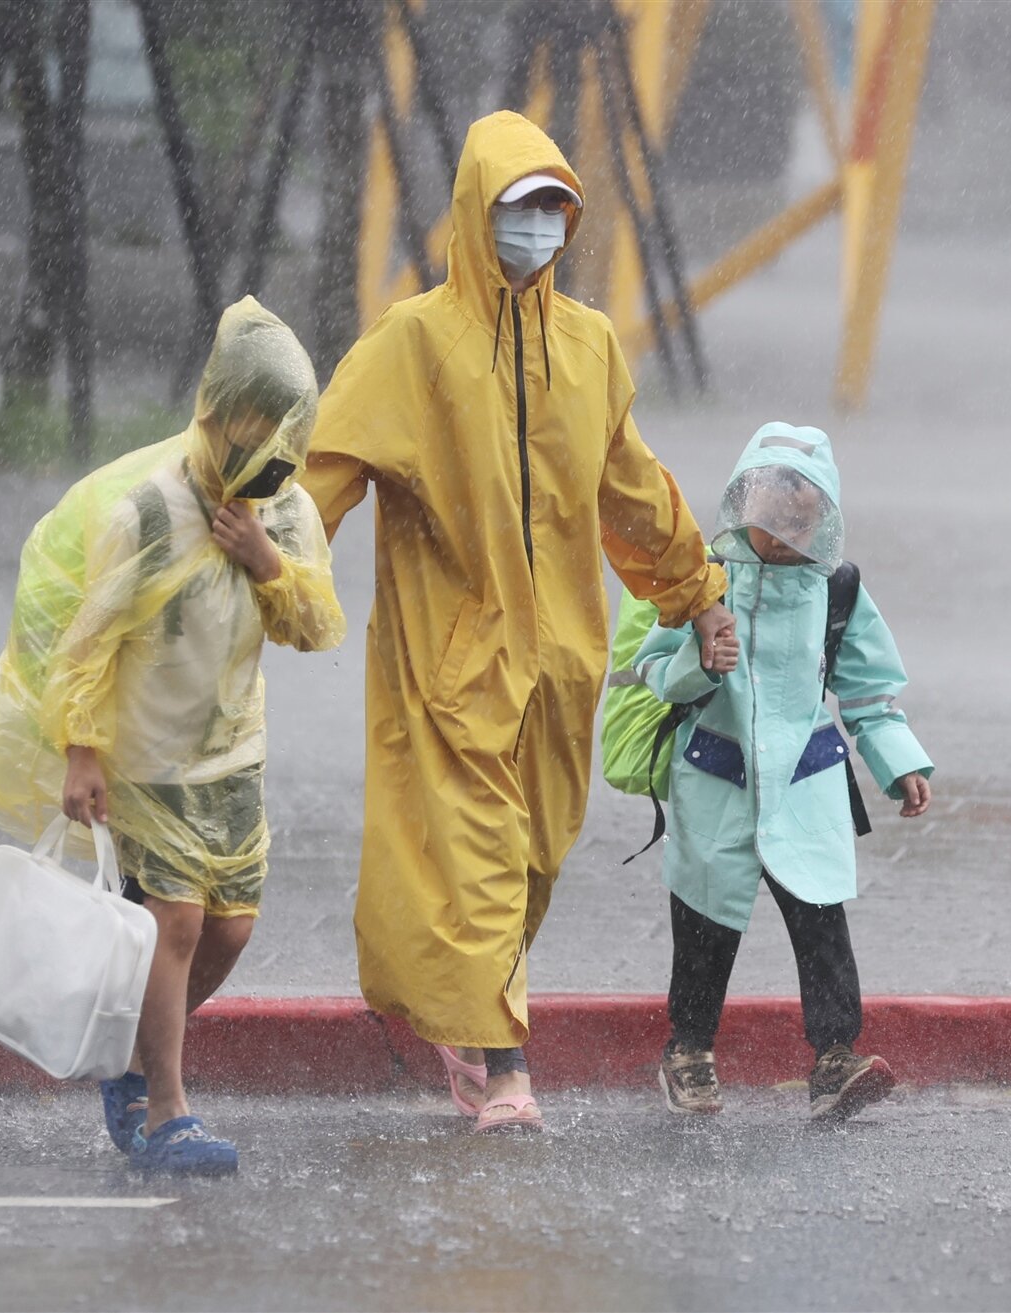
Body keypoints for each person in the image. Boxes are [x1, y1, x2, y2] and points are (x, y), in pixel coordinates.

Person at [301, 111, 735, 1133]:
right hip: (450, 659)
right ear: (473, 211)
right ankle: (505, 1068)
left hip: (562, 664)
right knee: (480, 856)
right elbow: (323, 473)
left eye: (552, 206)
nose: (537, 225)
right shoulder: (412, 343)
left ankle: (463, 1013)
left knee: (533, 857)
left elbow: (632, 491)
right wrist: (264, 572)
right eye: (517, 206)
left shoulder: (587, 348)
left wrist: (697, 592)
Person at [0, 298, 345, 1172]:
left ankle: (134, 1058)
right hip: (150, 758)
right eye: (257, 426)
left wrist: (268, 561)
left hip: (232, 758)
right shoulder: (149, 514)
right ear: (218, 413)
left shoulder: (288, 515)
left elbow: (317, 626)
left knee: (229, 931)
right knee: (175, 923)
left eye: (286, 432)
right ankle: (165, 1110)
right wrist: (80, 746)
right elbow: (88, 643)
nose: (272, 451)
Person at [632, 421, 934, 1122]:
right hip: (719, 778)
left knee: (820, 920)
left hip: (804, 783)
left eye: (798, 518)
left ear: (822, 518)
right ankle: (689, 1049)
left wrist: (900, 763)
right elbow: (651, 665)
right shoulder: (703, 579)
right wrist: (696, 664)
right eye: (768, 514)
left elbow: (867, 691)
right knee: (705, 924)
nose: (780, 533)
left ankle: (835, 1057)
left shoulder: (838, 591)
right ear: (745, 499)